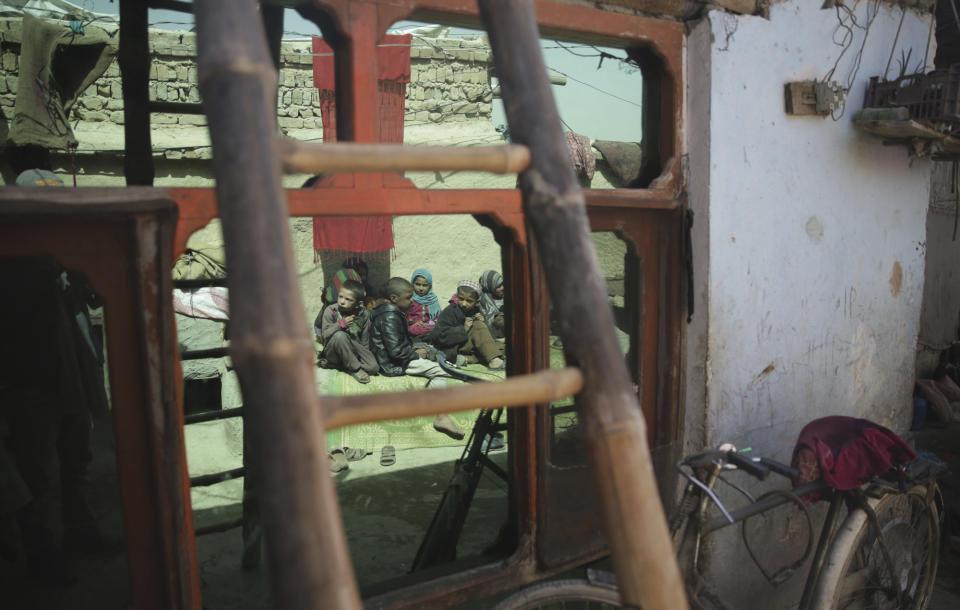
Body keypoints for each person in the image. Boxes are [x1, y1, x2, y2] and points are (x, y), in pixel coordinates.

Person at [370, 278, 464, 440]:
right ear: (394, 299)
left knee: (428, 349)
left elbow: (397, 342)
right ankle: (441, 417)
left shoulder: (389, 312)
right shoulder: (390, 316)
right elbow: (395, 351)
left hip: (397, 357)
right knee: (439, 370)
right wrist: (415, 354)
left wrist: (413, 348)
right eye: (408, 297)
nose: (412, 301)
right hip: (393, 363)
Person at [316, 279, 379, 384]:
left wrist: (365, 356)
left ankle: (345, 365)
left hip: (353, 348)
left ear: (358, 303)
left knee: (374, 367)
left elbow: (364, 340)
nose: (342, 301)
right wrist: (340, 325)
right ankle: (355, 369)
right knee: (340, 336)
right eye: (340, 296)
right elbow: (325, 335)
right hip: (333, 351)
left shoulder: (363, 314)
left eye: (348, 299)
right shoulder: (331, 311)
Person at [433, 280, 505, 370]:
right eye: (461, 299)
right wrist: (463, 329)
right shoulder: (450, 311)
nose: (464, 304)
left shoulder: (476, 310)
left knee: (501, 347)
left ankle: (467, 359)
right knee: (478, 326)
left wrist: (484, 322)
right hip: (454, 346)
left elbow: (485, 337)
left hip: (470, 347)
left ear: (476, 301)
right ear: (457, 297)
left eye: (469, 301)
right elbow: (438, 336)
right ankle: (494, 362)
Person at [407, 268, 441, 339]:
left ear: (430, 286)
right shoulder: (409, 299)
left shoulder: (432, 299)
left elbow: (438, 316)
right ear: (412, 284)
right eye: (418, 284)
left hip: (428, 325)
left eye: (425, 285)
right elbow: (405, 315)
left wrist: (432, 322)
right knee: (411, 330)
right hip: (414, 326)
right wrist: (413, 323)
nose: (421, 288)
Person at [477, 270, 506, 341]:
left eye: (503, 284)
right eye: (498, 286)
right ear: (490, 287)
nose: (503, 288)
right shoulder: (483, 301)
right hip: (494, 337)